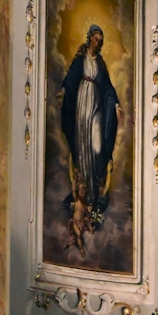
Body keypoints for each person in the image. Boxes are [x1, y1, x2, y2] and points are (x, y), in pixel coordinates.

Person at [58, 25, 122, 213]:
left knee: (96, 147)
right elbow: (70, 78)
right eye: (95, 39)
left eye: (100, 41)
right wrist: (63, 92)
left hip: (96, 104)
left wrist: (116, 105)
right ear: (89, 39)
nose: (98, 43)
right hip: (81, 103)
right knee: (83, 145)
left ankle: (94, 191)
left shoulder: (100, 64)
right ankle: (85, 195)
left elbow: (108, 88)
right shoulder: (81, 60)